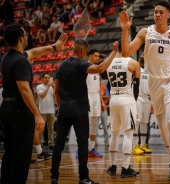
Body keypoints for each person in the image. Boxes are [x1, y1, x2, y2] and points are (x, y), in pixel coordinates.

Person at [119, 0, 170, 180]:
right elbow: (126, 52)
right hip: (154, 83)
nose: (157, 14)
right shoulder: (145, 32)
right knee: (163, 125)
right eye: (155, 12)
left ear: (168, 15)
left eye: (160, 12)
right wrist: (125, 29)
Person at [0, 23, 68, 184]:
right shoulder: (21, 62)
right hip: (19, 110)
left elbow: (32, 52)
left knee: (9, 151)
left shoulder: (6, 57)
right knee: (22, 154)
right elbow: (24, 89)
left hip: (6, 109)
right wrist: (37, 114)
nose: (27, 36)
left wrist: (54, 46)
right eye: (25, 34)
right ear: (21, 38)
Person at [50, 39, 118, 184]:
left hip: (63, 110)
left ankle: (54, 177)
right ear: (81, 51)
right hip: (79, 111)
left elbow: (56, 91)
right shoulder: (81, 64)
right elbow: (100, 69)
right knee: (82, 145)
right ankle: (83, 178)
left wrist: (60, 106)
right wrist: (114, 53)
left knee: (58, 145)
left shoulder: (60, 66)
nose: (85, 55)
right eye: (85, 52)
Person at [106, 39, 141, 178]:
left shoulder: (109, 62)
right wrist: (134, 101)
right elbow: (136, 86)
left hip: (113, 98)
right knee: (128, 133)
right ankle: (126, 168)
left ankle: (112, 166)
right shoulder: (133, 63)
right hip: (127, 98)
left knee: (114, 132)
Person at [132, 53, 152, 155]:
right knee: (138, 120)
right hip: (138, 97)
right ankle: (135, 146)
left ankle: (143, 145)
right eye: (142, 58)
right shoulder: (136, 68)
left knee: (145, 122)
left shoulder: (150, 70)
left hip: (148, 98)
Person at [86, 49, 103, 157]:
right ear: (90, 56)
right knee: (85, 124)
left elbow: (98, 87)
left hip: (96, 97)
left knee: (94, 124)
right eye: (96, 56)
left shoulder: (97, 69)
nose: (97, 58)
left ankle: (91, 148)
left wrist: (101, 101)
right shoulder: (84, 67)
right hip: (87, 96)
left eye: (98, 56)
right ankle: (82, 148)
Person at [36, 72, 56, 150]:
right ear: (42, 79)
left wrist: (54, 88)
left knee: (51, 128)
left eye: (48, 78)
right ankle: (41, 143)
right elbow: (42, 96)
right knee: (41, 128)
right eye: (46, 78)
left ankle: (51, 143)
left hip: (51, 110)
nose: (47, 79)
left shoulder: (51, 87)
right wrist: (48, 87)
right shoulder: (39, 87)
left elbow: (55, 97)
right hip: (42, 110)